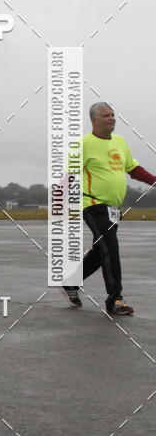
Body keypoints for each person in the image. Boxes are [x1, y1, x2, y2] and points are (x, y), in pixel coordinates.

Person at [62, 102, 156, 316]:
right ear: (94, 120)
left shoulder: (120, 142)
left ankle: (71, 283)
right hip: (92, 204)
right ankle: (115, 299)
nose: (112, 118)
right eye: (106, 116)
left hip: (112, 208)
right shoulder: (84, 144)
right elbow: (69, 176)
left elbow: (132, 168)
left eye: (113, 115)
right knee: (110, 247)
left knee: (100, 250)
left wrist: (153, 180)